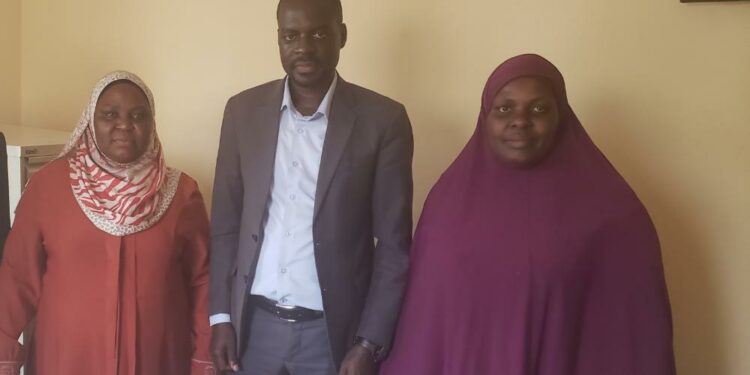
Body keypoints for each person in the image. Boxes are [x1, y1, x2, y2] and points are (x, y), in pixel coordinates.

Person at [380, 54, 676, 375]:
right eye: (505, 108)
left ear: (561, 116)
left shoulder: (615, 214)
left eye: (539, 108)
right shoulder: (447, 205)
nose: (520, 120)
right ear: (485, 116)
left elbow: (636, 340)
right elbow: (424, 329)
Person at [208, 0, 414, 374]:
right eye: (291, 36)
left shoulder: (383, 121)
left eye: (318, 33)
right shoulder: (242, 112)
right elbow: (226, 224)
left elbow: (394, 247)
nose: (303, 47)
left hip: (332, 334)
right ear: (279, 40)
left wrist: (369, 342)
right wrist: (221, 316)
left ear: (342, 35)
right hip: (253, 329)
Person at [0, 71, 214, 375]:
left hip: (159, 360)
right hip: (66, 361)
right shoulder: (48, 186)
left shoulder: (182, 194)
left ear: (153, 125)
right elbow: (17, 277)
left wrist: (204, 358)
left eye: (138, 115)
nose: (124, 125)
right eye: (110, 114)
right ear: (90, 122)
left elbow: (202, 282)